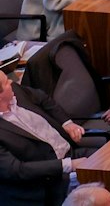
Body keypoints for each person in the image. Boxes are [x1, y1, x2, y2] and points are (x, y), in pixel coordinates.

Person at [0, 69, 90, 206]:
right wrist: (69, 165)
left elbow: (43, 98)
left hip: (71, 153)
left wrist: (67, 123)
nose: (12, 82)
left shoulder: (15, 91)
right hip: (47, 183)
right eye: (7, 83)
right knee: (103, 193)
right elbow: (17, 170)